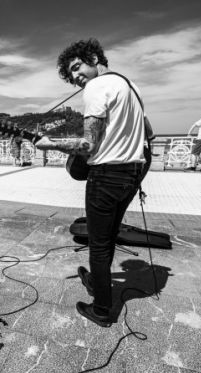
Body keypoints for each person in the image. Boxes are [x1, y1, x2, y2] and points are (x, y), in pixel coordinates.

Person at [35, 38, 148, 328]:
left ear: (94, 58)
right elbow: (149, 133)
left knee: (98, 246)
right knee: (108, 236)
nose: (76, 77)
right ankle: (98, 281)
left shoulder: (97, 87)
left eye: (77, 67)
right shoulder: (131, 85)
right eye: (71, 76)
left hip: (107, 177)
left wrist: (51, 145)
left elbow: (87, 144)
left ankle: (101, 308)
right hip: (132, 174)